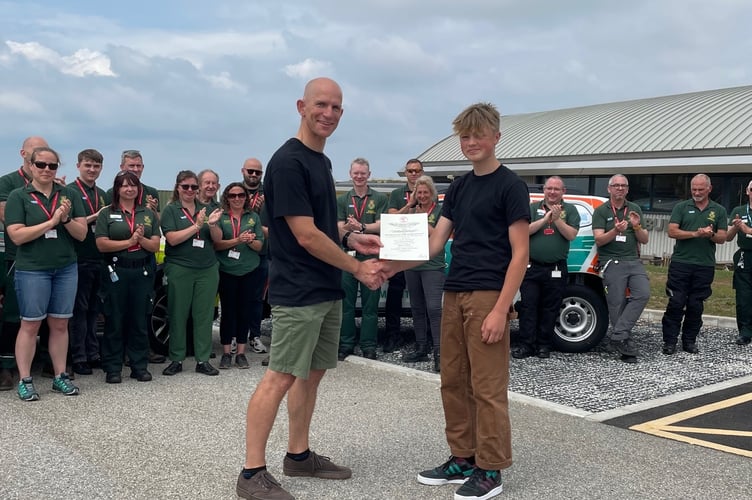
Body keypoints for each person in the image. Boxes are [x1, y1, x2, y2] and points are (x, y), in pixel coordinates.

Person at [235, 77, 383, 500]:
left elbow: (319, 227)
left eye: (337, 107)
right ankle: (251, 473)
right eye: (321, 105)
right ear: (301, 105)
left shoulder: (322, 161)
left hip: (324, 288)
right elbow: (304, 236)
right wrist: (357, 267)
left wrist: (352, 239)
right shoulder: (288, 163)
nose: (329, 114)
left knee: (312, 375)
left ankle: (298, 456)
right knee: (279, 376)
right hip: (298, 290)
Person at [382, 102, 529, 500]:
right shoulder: (460, 187)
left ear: (496, 137)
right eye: (465, 136)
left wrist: (501, 308)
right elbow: (433, 244)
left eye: (479, 134)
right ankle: (462, 457)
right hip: (455, 290)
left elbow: (520, 253)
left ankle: (491, 467)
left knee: (487, 386)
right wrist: (389, 264)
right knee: (452, 380)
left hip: (487, 294)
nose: (471, 142)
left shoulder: (510, 186)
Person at [5, 146, 88, 400]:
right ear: (30, 166)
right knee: (30, 324)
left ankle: (60, 376)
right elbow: (17, 235)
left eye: (52, 166)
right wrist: (50, 223)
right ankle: (25, 379)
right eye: (41, 165)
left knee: (60, 324)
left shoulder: (69, 194)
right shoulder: (19, 196)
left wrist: (64, 220)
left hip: (65, 267)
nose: (46, 170)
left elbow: (82, 234)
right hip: (33, 269)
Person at [95, 171, 161, 383]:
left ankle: (139, 365)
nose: (129, 189)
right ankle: (113, 368)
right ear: (117, 189)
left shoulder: (148, 214)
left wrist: (140, 241)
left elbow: (154, 245)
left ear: (138, 189)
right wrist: (130, 241)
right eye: (124, 186)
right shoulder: (107, 213)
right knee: (115, 320)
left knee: (139, 320)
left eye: (133, 185)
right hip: (116, 271)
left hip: (141, 272)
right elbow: (102, 244)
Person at [160, 170, 223, 376]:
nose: (189, 190)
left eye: (193, 187)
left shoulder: (208, 208)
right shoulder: (171, 210)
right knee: (178, 313)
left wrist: (211, 224)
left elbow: (217, 238)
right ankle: (176, 359)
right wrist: (195, 226)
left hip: (206, 268)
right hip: (180, 267)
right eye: (185, 186)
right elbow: (172, 239)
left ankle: (202, 359)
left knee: (204, 316)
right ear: (177, 187)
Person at [0, 136, 48, 391]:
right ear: (23, 154)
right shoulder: (8, 182)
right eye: (34, 155)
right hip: (17, 256)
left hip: (47, 257)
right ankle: (6, 366)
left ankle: (40, 362)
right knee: (13, 313)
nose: (40, 162)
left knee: (45, 314)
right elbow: (8, 216)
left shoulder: (51, 184)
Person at [513, 176, 579, 360]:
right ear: (544, 190)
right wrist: (546, 219)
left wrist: (557, 219)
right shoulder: (533, 208)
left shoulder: (571, 210)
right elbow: (524, 231)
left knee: (550, 308)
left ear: (563, 192)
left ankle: (544, 345)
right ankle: (526, 344)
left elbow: (571, 234)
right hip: (532, 266)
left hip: (556, 268)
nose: (552, 192)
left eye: (556, 189)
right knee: (528, 306)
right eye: (549, 188)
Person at [662, 174, 728, 355]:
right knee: (676, 302)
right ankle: (669, 341)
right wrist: (696, 234)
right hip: (681, 263)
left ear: (709, 189)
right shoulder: (681, 207)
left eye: (700, 189)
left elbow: (723, 237)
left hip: (704, 265)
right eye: (694, 189)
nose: (697, 193)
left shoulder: (719, 210)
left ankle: (689, 341)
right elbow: (672, 231)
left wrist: (711, 235)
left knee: (695, 305)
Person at [110, 149, 164, 364]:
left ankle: (141, 351)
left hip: (145, 258)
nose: (135, 170)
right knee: (118, 310)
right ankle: (119, 352)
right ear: (122, 167)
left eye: (138, 166)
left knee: (143, 308)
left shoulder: (151, 191)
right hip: (119, 261)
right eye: (131, 166)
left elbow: (157, 224)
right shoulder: (111, 191)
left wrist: (153, 211)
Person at [592, 174, 650, 363]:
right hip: (612, 262)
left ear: (627, 189)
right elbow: (599, 239)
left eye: (623, 186)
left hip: (633, 260)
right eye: (616, 185)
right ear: (609, 189)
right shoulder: (601, 211)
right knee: (616, 303)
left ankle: (618, 335)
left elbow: (644, 239)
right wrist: (616, 230)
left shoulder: (634, 209)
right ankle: (626, 346)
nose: (620, 189)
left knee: (643, 294)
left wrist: (636, 226)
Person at [337, 157, 388, 361]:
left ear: (369, 175)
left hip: (373, 257)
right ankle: (346, 344)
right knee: (346, 304)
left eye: (363, 173)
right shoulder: (342, 199)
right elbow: (338, 225)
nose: (359, 176)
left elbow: (382, 224)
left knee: (370, 305)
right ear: (351, 174)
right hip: (347, 258)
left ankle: (369, 345)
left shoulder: (379, 198)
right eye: (356, 173)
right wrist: (349, 227)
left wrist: (362, 227)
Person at [214, 182, 264, 369]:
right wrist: (237, 239)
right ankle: (227, 352)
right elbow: (217, 244)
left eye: (241, 195)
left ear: (246, 198)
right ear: (227, 197)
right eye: (233, 195)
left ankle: (241, 353)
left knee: (245, 311)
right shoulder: (221, 216)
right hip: (227, 269)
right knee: (227, 312)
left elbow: (260, 246)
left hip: (249, 270)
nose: (237, 199)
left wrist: (250, 242)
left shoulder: (253, 218)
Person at [67, 149, 108, 375]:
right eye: (88, 165)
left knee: (94, 310)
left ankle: (93, 353)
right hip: (78, 258)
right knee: (79, 311)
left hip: (98, 258)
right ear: (78, 166)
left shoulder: (102, 193)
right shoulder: (69, 191)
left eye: (96, 166)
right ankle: (78, 356)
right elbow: (70, 222)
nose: (92, 170)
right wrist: (95, 217)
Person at [402, 175, 445, 372]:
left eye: (425, 192)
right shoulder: (411, 210)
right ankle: (421, 346)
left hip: (432, 265)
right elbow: (394, 223)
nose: (422, 196)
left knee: (434, 309)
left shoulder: (439, 210)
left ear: (432, 193)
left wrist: (421, 221)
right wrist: (410, 207)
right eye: (418, 193)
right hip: (412, 264)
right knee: (417, 308)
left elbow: (439, 234)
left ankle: (439, 353)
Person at [383, 158, 426, 352]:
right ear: (406, 173)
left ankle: (425, 338)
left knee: (422, 296)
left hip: (420, 249)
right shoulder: (397, 194)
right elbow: (392, 219)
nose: (414, 174)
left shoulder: (428, 192)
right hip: (400, 249)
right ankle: (393, 335)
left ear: (422, 172)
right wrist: (410, 204)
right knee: (394, 294)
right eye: (410, 171)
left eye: (417, 170)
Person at [241, 157, 269, 356]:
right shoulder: (234, 193)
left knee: (257, 298)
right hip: (237, 253)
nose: (253, 175)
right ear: (243, 171)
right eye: (250, 171)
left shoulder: (270, 193)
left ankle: (255, 335)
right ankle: (236, 336)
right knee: (236, 297)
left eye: (257, 172)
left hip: (262, 253)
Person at [726, 179, 752, 346]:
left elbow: (747, 230)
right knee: (744, 296)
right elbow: (727, 237)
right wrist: (736, 227)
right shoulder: (739, 210)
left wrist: (747, 230)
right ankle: (745, 331)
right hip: (746, 256)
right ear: (748, 192)